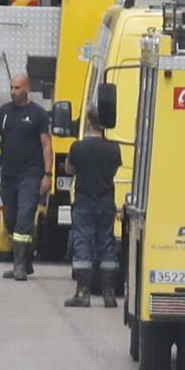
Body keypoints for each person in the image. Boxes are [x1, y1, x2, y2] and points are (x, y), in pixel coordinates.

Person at [0, 73, 52, 281]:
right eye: (11, 87)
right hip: (9, 175)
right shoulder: (4, 112)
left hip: (31, 173)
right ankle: (24, 259)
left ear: (27, 89)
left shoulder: (38, 114)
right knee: (11, 219)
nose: (13, 92)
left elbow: (47, 145)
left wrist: (47, 175)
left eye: (17, 88)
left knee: (24, 216)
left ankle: (19, 265)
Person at [63, 107, 122, 308]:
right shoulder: (113, 148)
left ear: (88, 121)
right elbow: (113, 171)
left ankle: (82, 293)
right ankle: (109, 294)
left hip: (84, 201)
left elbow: (70, 169)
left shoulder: (78, 147)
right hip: (105, 201)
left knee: (83, 244)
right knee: (106, 244)